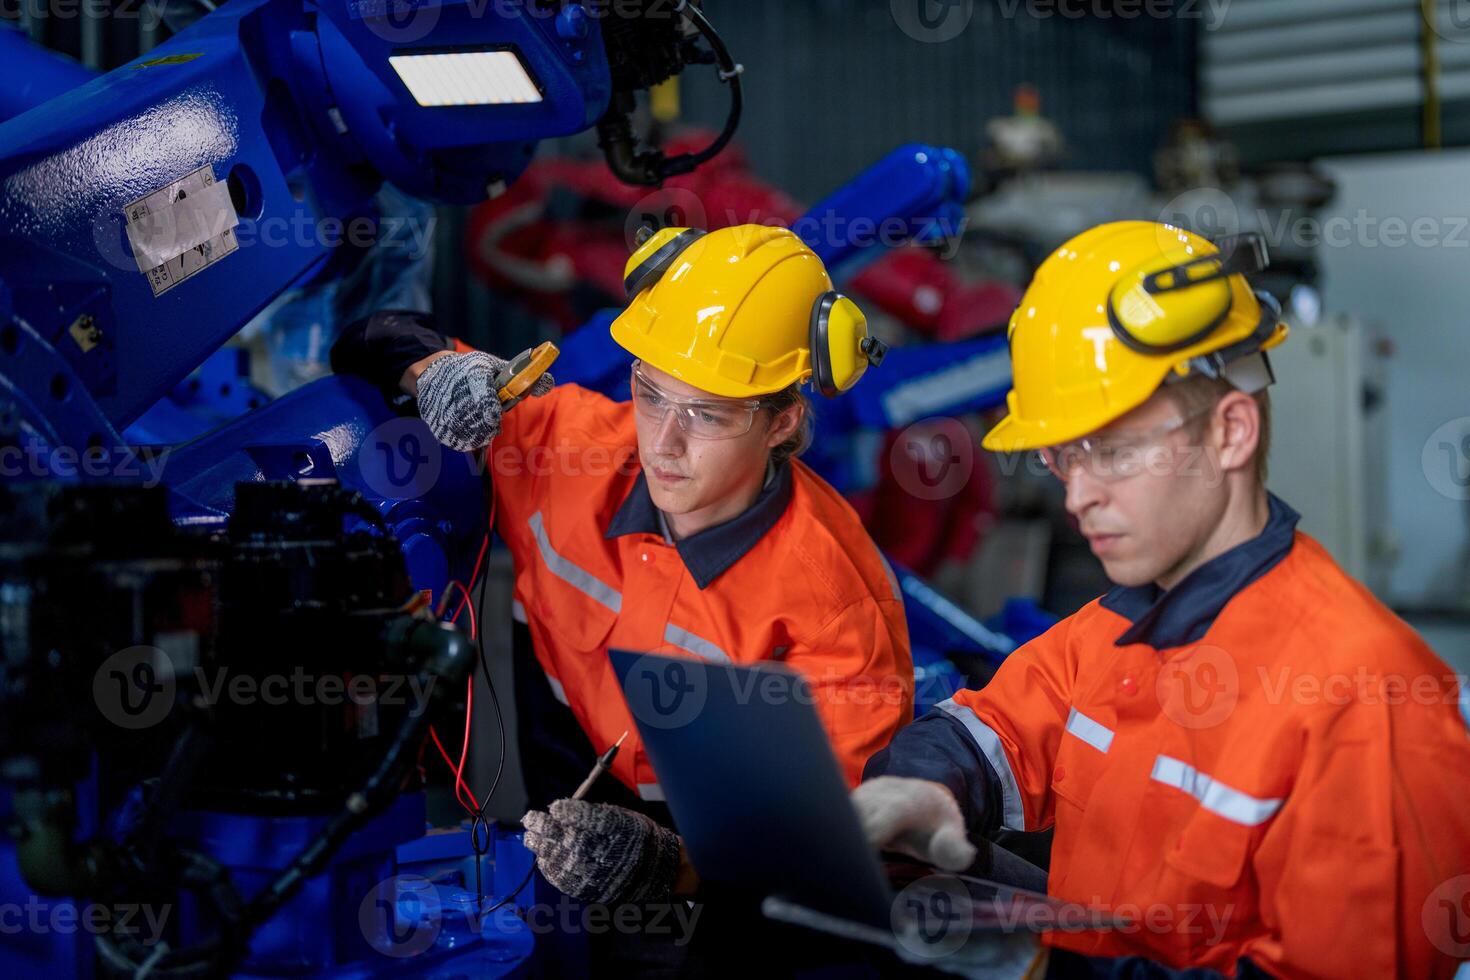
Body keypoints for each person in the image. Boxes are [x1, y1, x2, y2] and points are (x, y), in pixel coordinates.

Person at [855, 221, 1470, 978]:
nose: (1078, 496)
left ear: (1230, 432)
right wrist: (924, 786)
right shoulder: (1113, 630)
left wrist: (1052, 967)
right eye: (1060, 456)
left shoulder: (1368, 698)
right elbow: (993, 733)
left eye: (1110, 451)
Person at [333, 223, 912, 916]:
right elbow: (375, 337)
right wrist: (439, 375)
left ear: (784, 420)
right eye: (652, 393)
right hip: (565, 790)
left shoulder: (835, 611)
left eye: (706, 413)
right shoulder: (567, 452)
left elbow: (831, 849)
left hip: (717, 865)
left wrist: (673, 870)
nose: (663, 442)